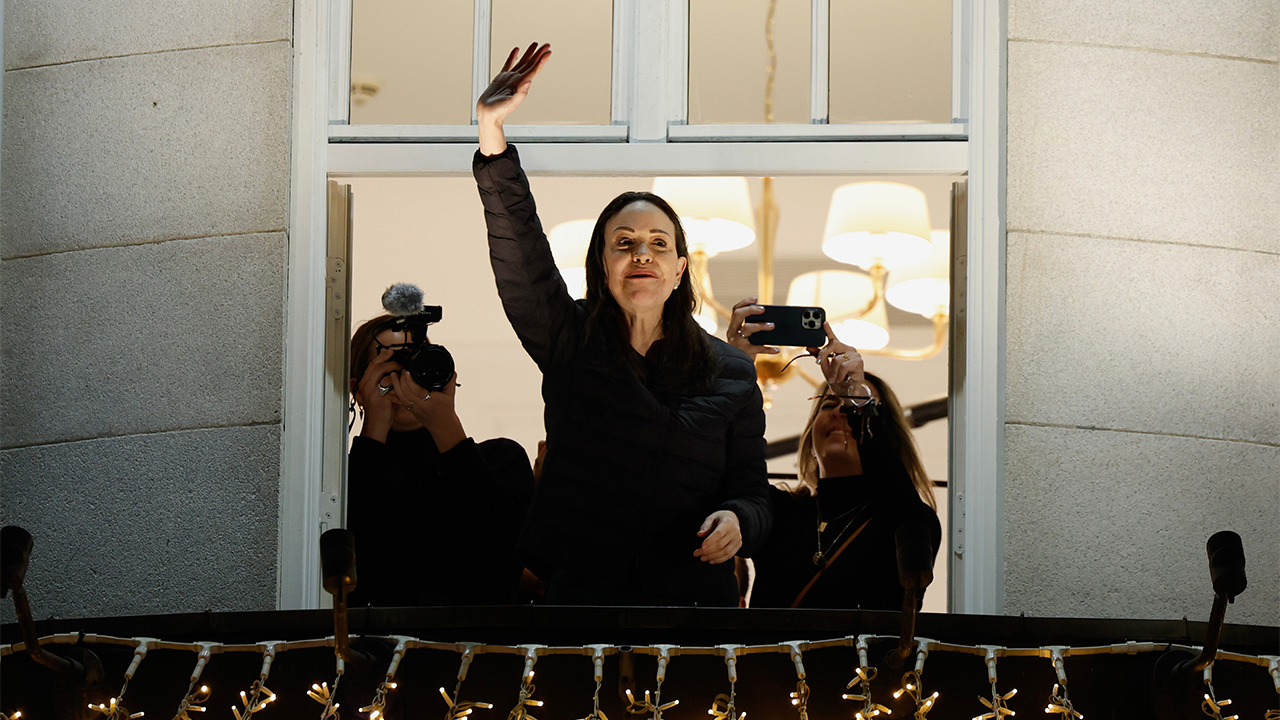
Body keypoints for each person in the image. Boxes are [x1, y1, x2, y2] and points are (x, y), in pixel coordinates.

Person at [471, 43, 770, 606]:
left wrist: (738, 519)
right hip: (583, 601)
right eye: (624, 243)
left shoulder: (730, 369)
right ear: (601, 264)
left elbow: (753, 490)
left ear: (680, 269)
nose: (642, 254)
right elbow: (522, 256)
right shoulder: (568, 340)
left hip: (692, 606)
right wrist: (492, 133)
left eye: (659, 243)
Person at [726, 298, 942, 609]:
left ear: (887, 436)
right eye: (829, 404)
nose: (841, 411)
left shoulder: (907, 518)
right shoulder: (779, 512)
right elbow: (727, 466)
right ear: (810, 436)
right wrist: (733, 369)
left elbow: (904, 511)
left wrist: (860, 401)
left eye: (852, 407)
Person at [345, 307, 535, 606]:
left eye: (415, 362)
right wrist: (374, 427)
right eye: (391, 366)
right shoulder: (340, 482)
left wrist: (446, 424)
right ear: (358, 388)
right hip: (377, 634)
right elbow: (352, 560)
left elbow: (509, 550)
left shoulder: (500, 459)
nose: (406, 378)